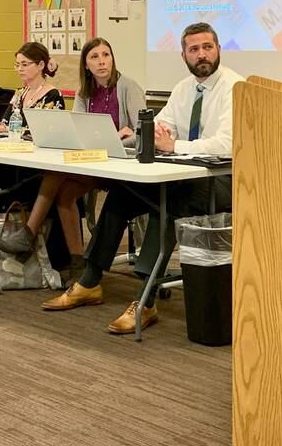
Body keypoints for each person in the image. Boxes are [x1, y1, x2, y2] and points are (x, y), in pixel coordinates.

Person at [40, 22, 243, 335]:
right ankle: (89, 281)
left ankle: (145, 298)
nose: (201, 54)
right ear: (183, 55)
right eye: (194, 49)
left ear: (218, 50)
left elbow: (227, 144)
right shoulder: (183, 89)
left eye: (207, 47)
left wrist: (174, 145)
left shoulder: (234, 87)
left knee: (172, 198)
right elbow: (158, 126)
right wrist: (141, 135)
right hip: (185, 171)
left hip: (222, 178)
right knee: (123, 192)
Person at [0, 37, 145, 267]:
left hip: (120, 161)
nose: (102, 62)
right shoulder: (84, 93)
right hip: (93, 159)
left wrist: (116, 138)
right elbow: (75, 127)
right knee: (62, 189)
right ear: (86, 65)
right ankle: (77, 261)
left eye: (106, 55)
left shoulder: (127, 86)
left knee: (55, 178)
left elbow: (142, 132)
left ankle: (28, 234)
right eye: (94, 57)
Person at [0, 41, 64, 135]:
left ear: (41, 65)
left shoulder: (53, 95)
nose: (20, 69)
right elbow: (5, 124)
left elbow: (48, 132)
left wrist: (7, 130)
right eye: (17, 65)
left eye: (25, 64)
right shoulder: (20, 93)